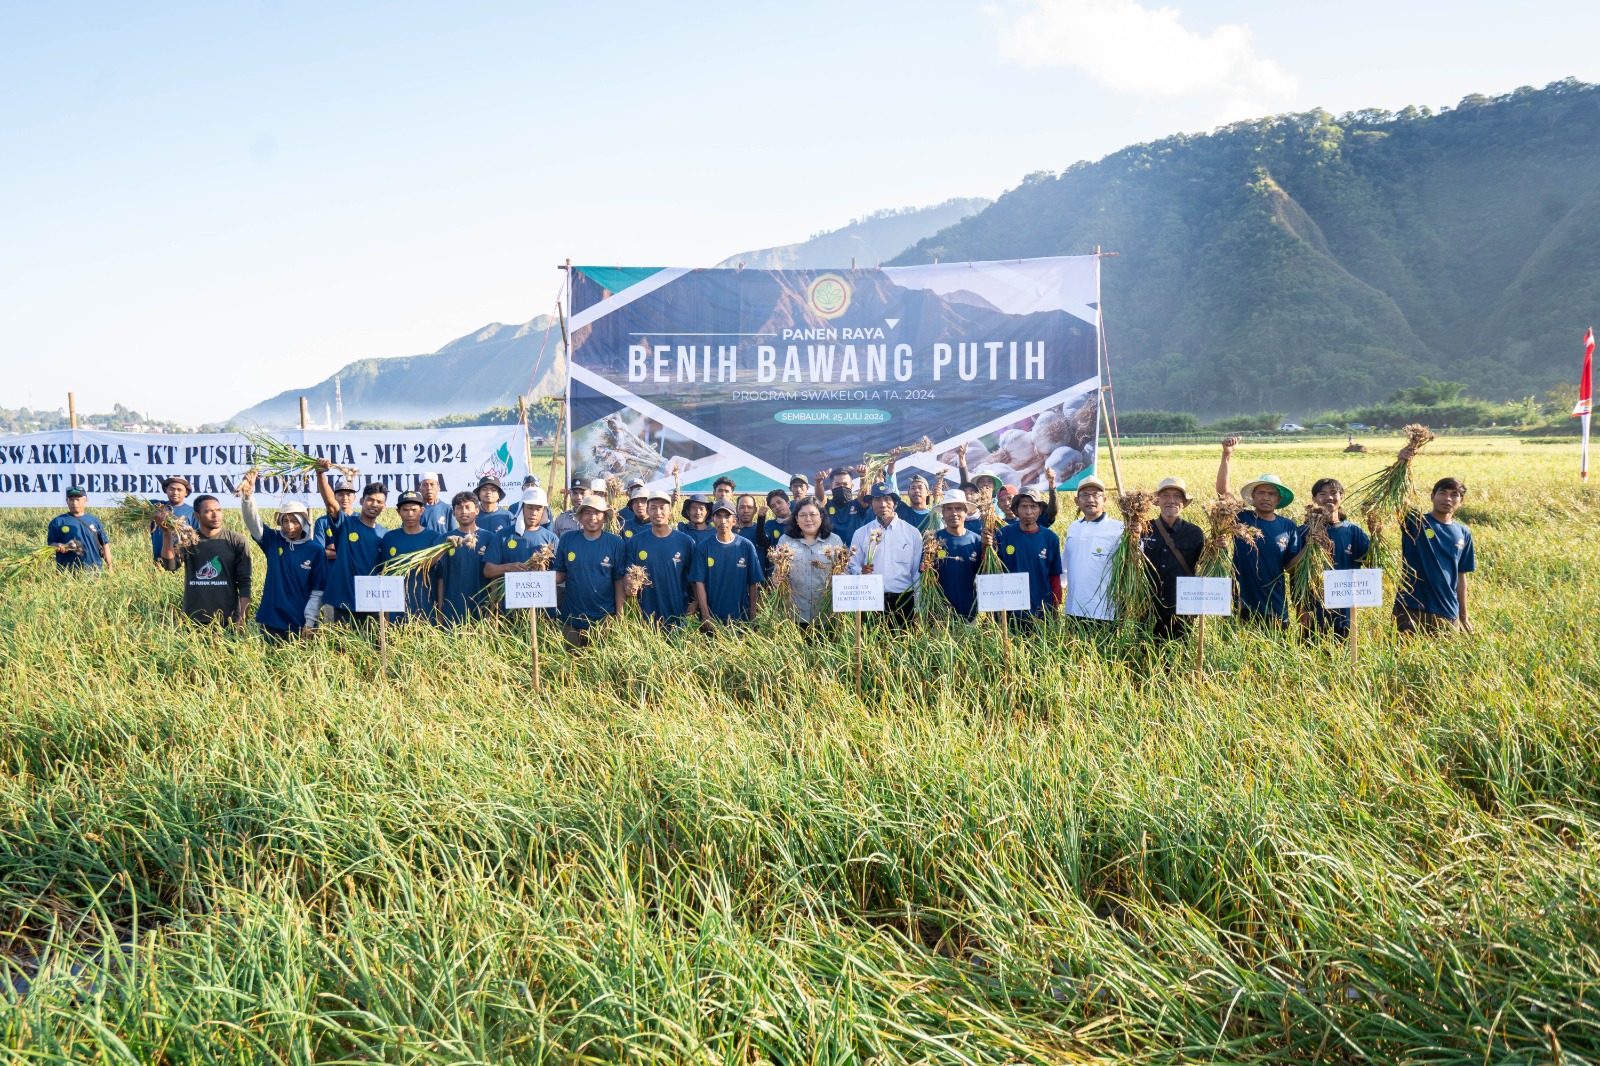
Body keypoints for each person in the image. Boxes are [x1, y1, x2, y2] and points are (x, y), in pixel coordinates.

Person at [1216, 437, 1301, 625]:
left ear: (1279, 500)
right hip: (1241, 602)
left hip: (1276, 604)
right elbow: (1223, 493)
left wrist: (1310, 546)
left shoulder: (1288, 527)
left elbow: (1291, 567)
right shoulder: (1242, 518)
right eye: (1261, 493)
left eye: (1271, 494)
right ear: (1253, 497)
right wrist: (1227, 455)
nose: (1266, 497)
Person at [239, 471, 326, 641]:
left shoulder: (315, 550)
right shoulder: (273, 541)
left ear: (303, 523)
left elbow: (318, 590)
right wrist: (248, 496)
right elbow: (253, 522)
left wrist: (310, 621)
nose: (289, 527)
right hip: (272, 619)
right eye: (285, 521)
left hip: (300, 622)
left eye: (294, 521)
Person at [1394, 472, 1475, 634]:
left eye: (1454, 495)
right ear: (1432, 496)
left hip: (1447, 610)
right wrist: (1402, 462)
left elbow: (1461, 577)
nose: (1448, 499)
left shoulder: (1463, 533)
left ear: (1461, 501)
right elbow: (1396, 496)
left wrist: (1463, 616)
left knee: (1447, 657)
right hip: (1410, 607)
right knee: (1402, 657)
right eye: (1442, 493)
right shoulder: (1415, 521)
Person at [160, 494, 251, 625]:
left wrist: (242, 618)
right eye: (208, 511)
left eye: (218, 510)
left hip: (228, 620)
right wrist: (166, 533)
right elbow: (170, 566)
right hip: (193, 620)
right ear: (197, 516)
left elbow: (245, 581)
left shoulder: (236, 541)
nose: (215, 515)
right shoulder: (188, 539)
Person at [316, 463, 388, 623]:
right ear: (362, 500)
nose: (374, 505)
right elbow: (330, 504)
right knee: (339, 647)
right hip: (341, 601)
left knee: (370, 646)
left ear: (384, 507)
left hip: (371, 603)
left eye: (379, 502)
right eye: (370, 500)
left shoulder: (385, 535)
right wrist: (320, 474)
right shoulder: (346, 524)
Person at [552, 493, 625, 645]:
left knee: (600, 664)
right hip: (571, 618)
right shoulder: (568, 539)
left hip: (603, 619)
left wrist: (619, 614)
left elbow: (619, 581)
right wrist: (538, 577)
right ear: (580, 517)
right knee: (570, 662)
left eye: (597, 513)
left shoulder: (615, 543)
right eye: (587, 512)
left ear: (604, 517)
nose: (592, 517)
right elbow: (560, 575)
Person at [1302, 477, 1370, 633]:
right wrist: (1302, 608)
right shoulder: (1304, 532)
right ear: (1314, 499)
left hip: (1345, 611)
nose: (1329, 497)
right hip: (1313, 611)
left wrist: (1376, 536)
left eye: (1334, 493)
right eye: (1322, 494)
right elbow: (1294, 572)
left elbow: (1371, 563)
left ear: (1341, 497)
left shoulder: (1353, 531)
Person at [847, 481, 921, 622]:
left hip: (903, 600)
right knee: (871, 642)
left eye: (887, 499)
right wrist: (861, 571)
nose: (882, 504)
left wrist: (918, 607)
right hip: (870, 598)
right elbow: (852, 565)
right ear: (871, 504)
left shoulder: (912, 533)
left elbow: (917, 573)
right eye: (877, 500)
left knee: (903, 642)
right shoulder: (861, 533)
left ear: (895, 503)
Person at [1141, 477, 1204, 639]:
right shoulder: (1144, 529)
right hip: (1147, 608)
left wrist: (1219, 549)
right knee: (1145, 654)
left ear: (1183, 502)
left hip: (1182, 608)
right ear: (1158, 500)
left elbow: (1205, 567)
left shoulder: (1195, 533)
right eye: (1166, 495)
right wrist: (1130, 534)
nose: (1171, 501)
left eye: (1177, 496)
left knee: (1179, 654)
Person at [482, 487, 559, 613]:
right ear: (522, 507)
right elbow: (488, 571)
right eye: (530, 507)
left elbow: (561, 575)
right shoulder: (504, 535)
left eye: (538, 508)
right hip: (510, 611)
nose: (534, 512)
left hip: (543, 611)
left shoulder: (551, 539)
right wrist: (508, 567)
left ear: (544, 511)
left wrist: (545, 574)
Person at [690, 500, 764, 627]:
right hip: (713, 619)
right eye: (718, 516)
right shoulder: (704, 547)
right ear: (712, 519)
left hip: (741, 618)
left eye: (727, 516)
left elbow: (753, 583)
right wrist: (706, 615)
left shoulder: (746, 546)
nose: (723, 521)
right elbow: (699, 582)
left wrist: (752, 616)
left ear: (734, 520)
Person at [629, 490, 697, 625]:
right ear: (648, 511)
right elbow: (626, 572)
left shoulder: (685, 542)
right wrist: (629, 584)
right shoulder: (635, 542)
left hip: (678, 616)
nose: (657, 512)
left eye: (662, 508)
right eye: (653, 508)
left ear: (670, 511)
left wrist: (696, 602)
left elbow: (695, 576)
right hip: (644, 619)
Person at [995, 487, 1063, 621]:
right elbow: (993, 571)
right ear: (1016, 510)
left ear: (1040, 510)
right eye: (1024, 506)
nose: (1029, 511)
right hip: (1011, 612)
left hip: (1042, 609)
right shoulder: (1003, 535)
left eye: (1033, 506)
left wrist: (1055, 607)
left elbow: (1054, 576)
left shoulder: (1050, 538)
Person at [1061, 476, 1120, 623]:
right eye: (1085, 495)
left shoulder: (1118, 528)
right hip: (1074, 609)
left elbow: (1134, 560)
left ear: (1104, 500)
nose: (1090, 499)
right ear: (1077, 501)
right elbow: (1065, 564)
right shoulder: (1074, 527)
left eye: (1096, 495)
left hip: (1104, 611)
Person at [379, 490, 443, 621]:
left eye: (414, 510)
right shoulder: (390, 538)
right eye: (405, 510)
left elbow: (440, 578)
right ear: (398, 512)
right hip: (396, 607)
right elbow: (384, 576)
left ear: (422, 510)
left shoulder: (434, 538)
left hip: (426, 605)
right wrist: (385, 614)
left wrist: (440, 611)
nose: (410, 514)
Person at [776, 498, 843, 624]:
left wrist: (842, 576)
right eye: (803, 515)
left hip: (826, 616)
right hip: (794, 614)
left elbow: (845, 571)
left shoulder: (834, 541)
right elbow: (777, 573)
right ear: (796, 519)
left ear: (821, 516)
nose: (808, 519)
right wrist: (777, 579)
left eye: (813, 514)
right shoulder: (785, 541)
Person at [436, 491, 491, 625]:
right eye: (459, 508)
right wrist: (440, 609)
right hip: (452, 608)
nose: (463, 511)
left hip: (482, 607)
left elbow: (494, 577)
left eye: (468, 507)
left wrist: (492, 608)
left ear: (477, 511)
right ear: (453, 513)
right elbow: (439, 577)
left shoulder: (489, 538)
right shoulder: (445, 539)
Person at [929, 489, 982, 619]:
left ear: (966, 512)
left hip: (971, 611)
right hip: (940, 612)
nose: (954, 513)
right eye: (949, 509)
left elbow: (984, 574)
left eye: (958, 508)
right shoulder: (932, 540)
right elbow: (925, 573)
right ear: (943, 513)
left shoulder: (977, 541)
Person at [47, 486, 111, 572]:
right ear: (67, 501)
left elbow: (105, 545)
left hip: (94, 571)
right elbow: (50, 543)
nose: (74, 503)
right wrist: (58, 546)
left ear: (85, 501)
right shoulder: (57, 522)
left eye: (78, 499)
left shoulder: (94, 521)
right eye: (71, 500)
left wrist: (110, 567)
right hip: (67, 572)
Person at [818, 468, 869, 546]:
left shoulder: (858, 504)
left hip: (855, 553)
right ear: (831, 487)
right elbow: (820, 499)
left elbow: (864, 497)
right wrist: (819, 483)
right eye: (837, 484)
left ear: (852, 486)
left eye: (845, 484)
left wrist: (863, 477)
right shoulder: (827, 504)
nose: (842, 487)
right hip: (831, 554)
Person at [148, 476, 194, 560]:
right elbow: (135, 506)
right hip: (158, 559)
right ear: (166, 490)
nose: (175, 492)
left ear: (186, 493)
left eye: (179, 490)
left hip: (182, 560)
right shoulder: (156, 506)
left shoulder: (193, 512)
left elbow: (197, 537)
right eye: (172, 489)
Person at [313, 476, 358, 546]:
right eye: (341, 494)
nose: (345, 498)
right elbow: (319, 552)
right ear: (334, 497)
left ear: (354, 498)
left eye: (348, 494)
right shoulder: (322, 522)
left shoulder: (360, 519)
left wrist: (335, 548)